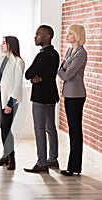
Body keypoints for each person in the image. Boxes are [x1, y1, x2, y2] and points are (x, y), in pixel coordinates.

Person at [24, 25, 60, 173]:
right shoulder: (55, 54)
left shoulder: (42, 55)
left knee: (39, 129)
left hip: (40, 97)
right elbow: (38, 74)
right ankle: (53, 159)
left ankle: (42, 163)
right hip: (51, 95)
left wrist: (33, 78)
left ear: (47, 36)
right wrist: (34, 78)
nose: (35, 37)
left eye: (38, 34)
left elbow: (28, 73)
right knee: (51, 128)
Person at [58, 24, 87, 176]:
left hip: (76, 95)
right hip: (68, 94)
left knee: (75, 130)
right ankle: (73, 166)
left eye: (70, 34)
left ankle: (74, 166)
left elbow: (66, 75)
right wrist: (63, 70)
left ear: (77, 35)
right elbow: (63, 69)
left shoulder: (81, 53)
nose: (67, 36)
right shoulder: (70, 51)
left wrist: (62, 70)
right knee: (72, 129)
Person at [0, 36, 25, 170]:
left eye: (4, 43)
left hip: (10, 100)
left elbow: (17, 85)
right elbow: (4, 77)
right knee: (2, 127)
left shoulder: (18, 62)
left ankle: (12, 158)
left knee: (6, 128)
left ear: (11, 45)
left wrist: (10, 104)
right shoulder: (3, 59)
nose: (1, 45)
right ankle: (5, 156)